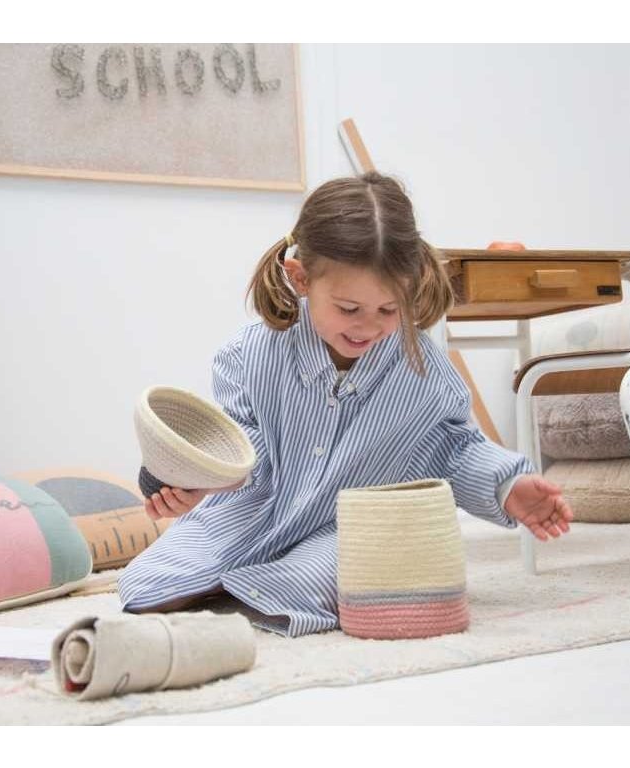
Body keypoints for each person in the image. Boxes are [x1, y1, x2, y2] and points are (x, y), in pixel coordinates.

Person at [118, 171, 573, 637]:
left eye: (389, 310)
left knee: (314, 578)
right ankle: (231, 581)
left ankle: (256, 586)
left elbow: (455, 450)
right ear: (300, 279)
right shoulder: (246, 356)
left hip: (349, 530)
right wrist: (202, 483)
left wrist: (507, 486)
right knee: (146, 584)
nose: (368, 327)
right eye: (349, 309)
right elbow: (240, 451)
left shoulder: (423, 369)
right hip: (254, 513)